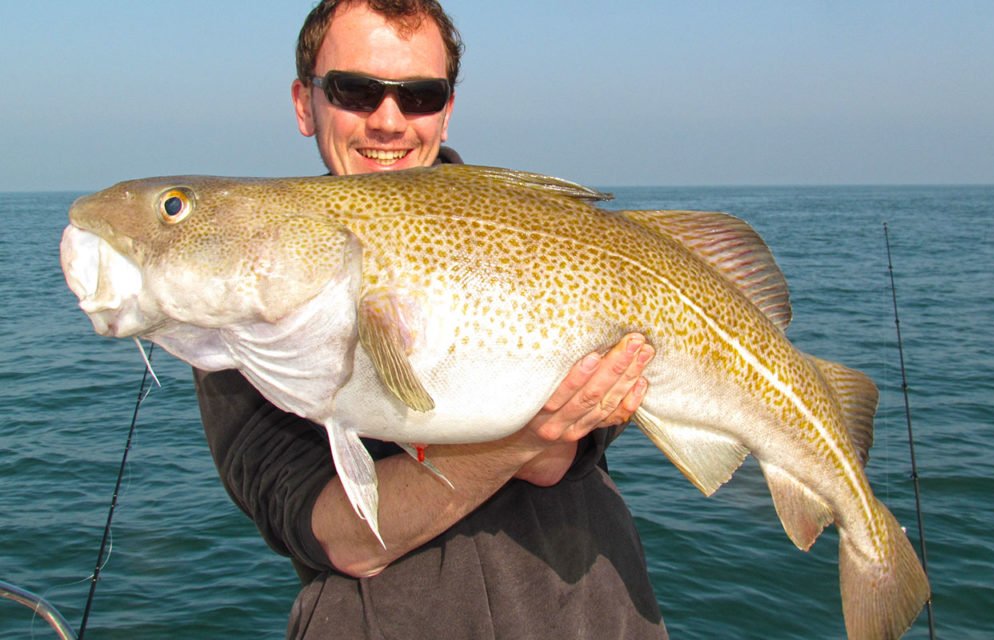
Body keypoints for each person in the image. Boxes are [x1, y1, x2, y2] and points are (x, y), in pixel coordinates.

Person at [194, 1, 667, 638]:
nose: (388, 121)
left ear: (446, 110)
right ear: (305, 104)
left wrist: (551, 444)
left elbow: (562, 463)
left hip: (594, 616)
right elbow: (339, 534)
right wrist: (523, 442)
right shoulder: (249, 300)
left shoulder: (548, 237)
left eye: (419, 95)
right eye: (355, 91)